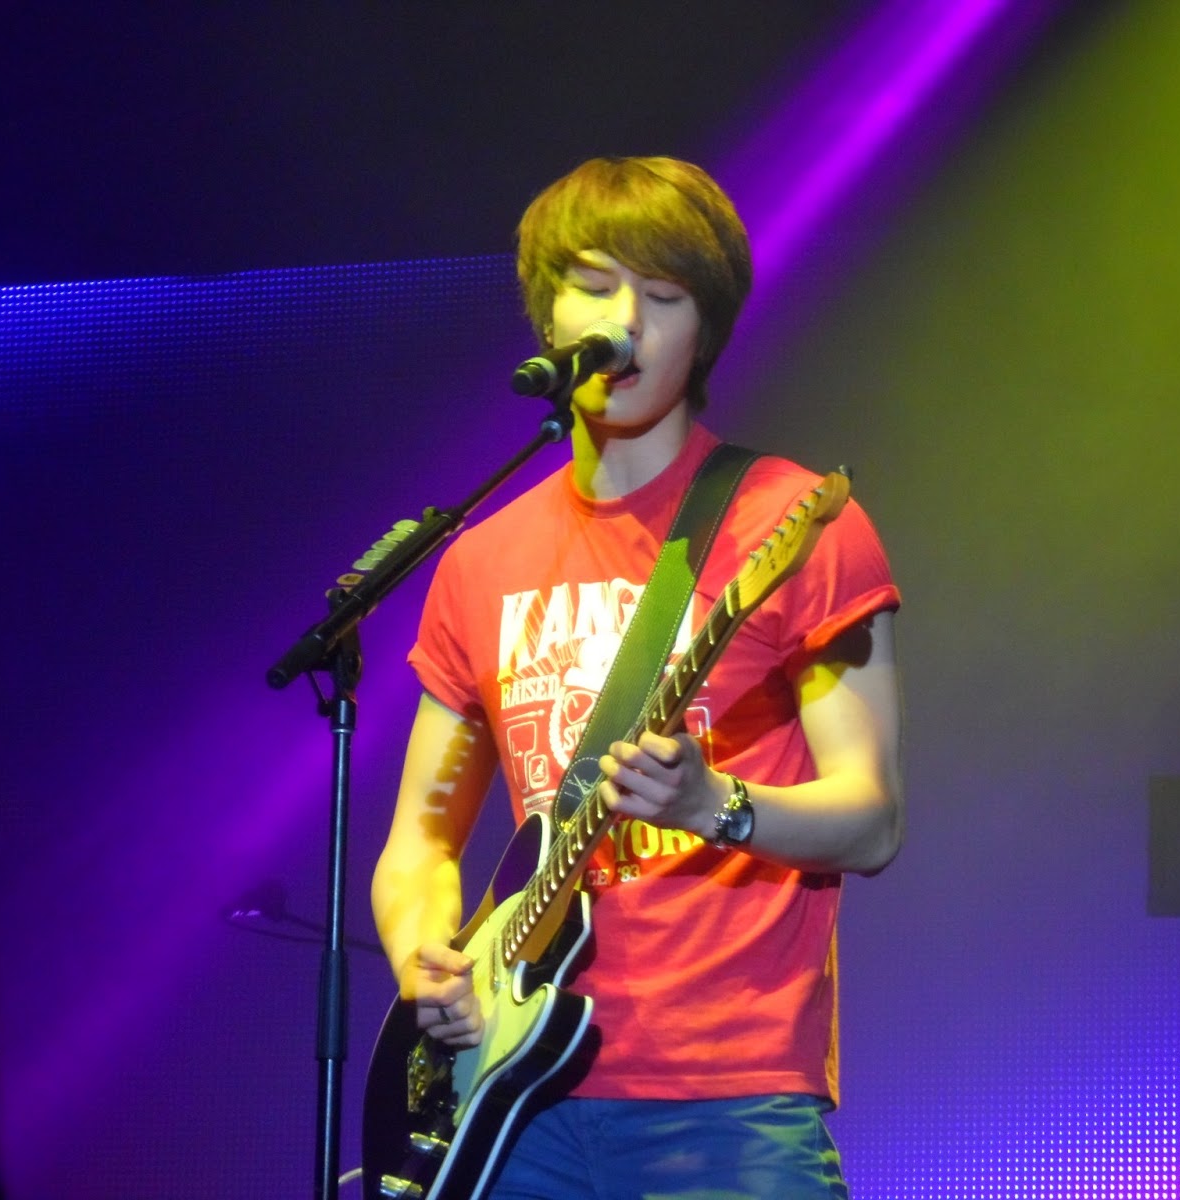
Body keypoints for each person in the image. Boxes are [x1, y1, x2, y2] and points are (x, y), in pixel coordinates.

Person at [371, 155, 904, 1198]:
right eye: (594, 285)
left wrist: (717, 805)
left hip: (727, 1103)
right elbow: (419, 844)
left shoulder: (788, 522)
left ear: (705, 332)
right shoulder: (479, 561)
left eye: (664, 296)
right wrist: (425, 956)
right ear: (548, 314)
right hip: (506, 1101)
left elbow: (873, 820)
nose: (626, 321)